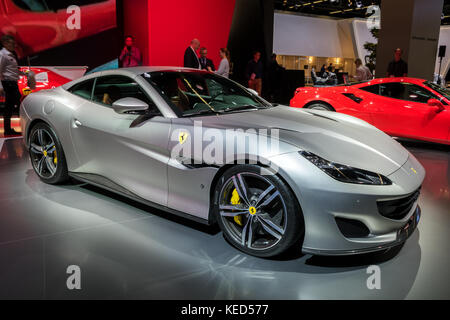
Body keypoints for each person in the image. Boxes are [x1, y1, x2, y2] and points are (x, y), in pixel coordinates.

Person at [0, 35, 25, 136]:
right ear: (5, 43)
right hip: (8, 83)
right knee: (19, 105)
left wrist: (25, 74)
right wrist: (0, 87)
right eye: (11, 43)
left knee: (9, 107)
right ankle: (23, 128)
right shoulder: (2, 55)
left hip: (12, 83)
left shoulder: (10, 55)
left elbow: (13, 71)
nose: (14, 45)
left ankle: (8, 130)